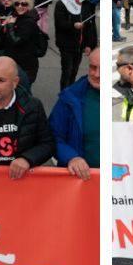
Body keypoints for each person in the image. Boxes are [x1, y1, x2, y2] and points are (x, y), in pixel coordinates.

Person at [49, 48, 100, 181]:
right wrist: (71, 157)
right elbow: (52, 135)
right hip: (79, 180)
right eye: (93, 68)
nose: (97, 74)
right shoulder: (71, 97)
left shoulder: (126, 95)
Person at [0, 0, 45, 84]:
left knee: (23, 93)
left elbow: (16, 41)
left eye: (24, 4)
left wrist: (10, 26)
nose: (20, 6)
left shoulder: (29, 22)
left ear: (29, 6)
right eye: (17, 4)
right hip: (15, 63)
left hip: (25, 66)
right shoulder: (17, 18)